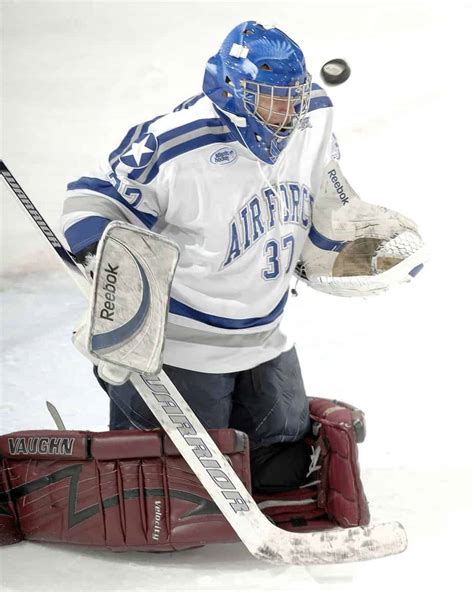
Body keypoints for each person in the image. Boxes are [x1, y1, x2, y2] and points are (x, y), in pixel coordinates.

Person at [60, 21, 421, 493]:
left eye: (293, 97)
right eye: (270, 99)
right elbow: (93, 196)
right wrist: (111, 274)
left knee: (282, 466)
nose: (286, 114)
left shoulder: (314, 116)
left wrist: (343, 242)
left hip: (264, 334)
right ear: (230, 90)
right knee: (177, 485)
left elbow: (321, 196)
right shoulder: (176, 142)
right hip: (181, 343)